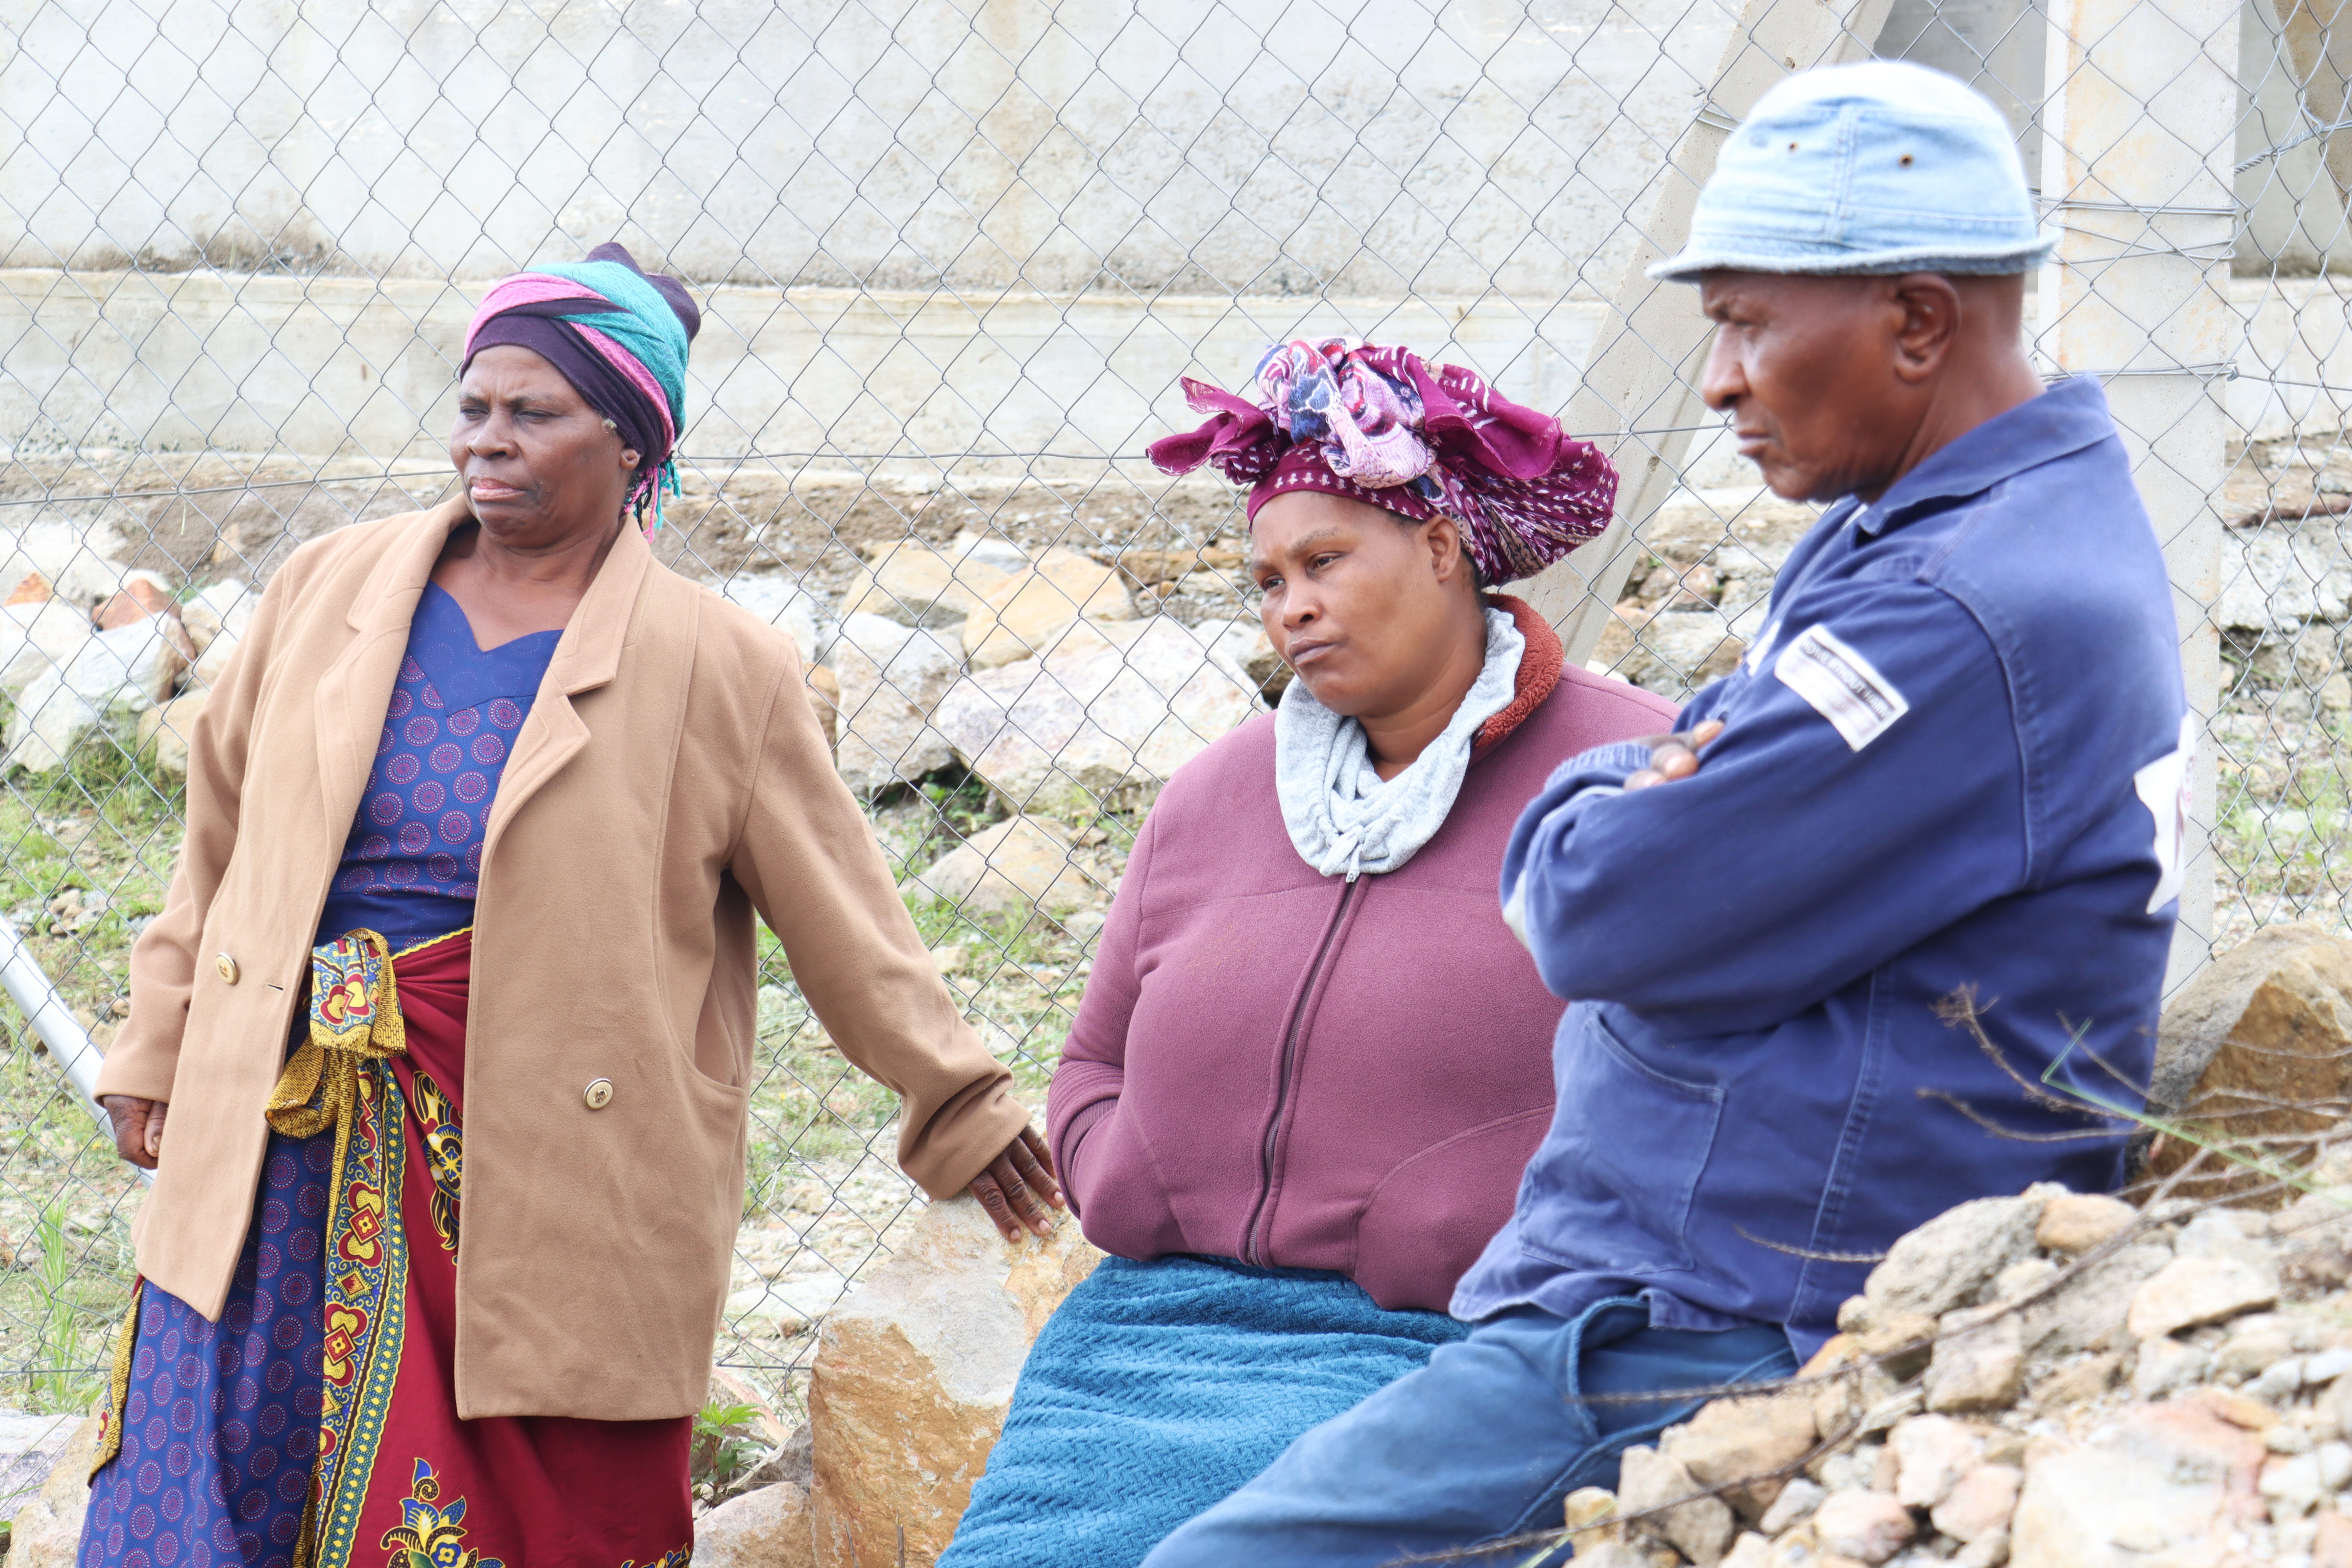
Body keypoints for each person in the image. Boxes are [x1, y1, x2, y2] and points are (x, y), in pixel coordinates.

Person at [1142, 62, 2191, 1567]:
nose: (1718, 379)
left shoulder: (1959, 607)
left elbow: (1599, 907)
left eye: (1751, 322)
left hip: (1708, 1318)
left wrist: (1596, 781)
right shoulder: (1934, 528)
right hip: (1675, 1279)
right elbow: (1680, 843)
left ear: (1915, 319)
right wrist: (1670, 772)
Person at [79, 243, 1061, 1568]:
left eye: (533, 412)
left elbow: (850, 919)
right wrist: (158, 1040)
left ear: (631, 438)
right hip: (281, 1111)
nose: (488, 440)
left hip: (532, 1157)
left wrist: (960, 1098)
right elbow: (223, 842)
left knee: (506, 1502)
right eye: (475, 405)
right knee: (216, 1477)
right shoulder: (331, 589)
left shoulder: (718, 667)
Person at [940, 339, 1669, 1568]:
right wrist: (1137, 1177)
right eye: (1269, 579)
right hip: (1146, 1338)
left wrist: (1479, 1236)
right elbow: (1092, 1059)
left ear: (1440, 546)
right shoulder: (1219, 792)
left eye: (1326, 562)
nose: (1293, 607)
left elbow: (1718, 1077)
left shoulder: (1635, 776)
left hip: (1456, 1349)